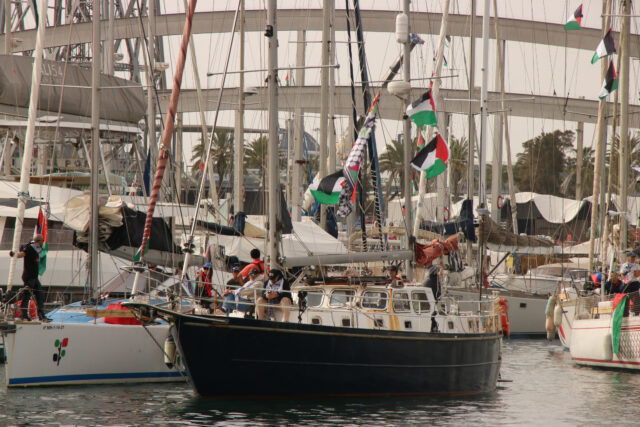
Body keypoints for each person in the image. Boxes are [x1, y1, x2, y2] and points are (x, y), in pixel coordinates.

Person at [9, 234, 49, 321]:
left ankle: (41, 315)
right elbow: (22, 253)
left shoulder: (37, 248)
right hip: (29, 277)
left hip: (34, 277)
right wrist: (14, 254)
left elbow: (41, 252)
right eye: (42, 241)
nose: (43, 243)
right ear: (39, 241)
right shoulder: (30, 247)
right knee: (26, 296)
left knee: (40, 295)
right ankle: (24, 315)